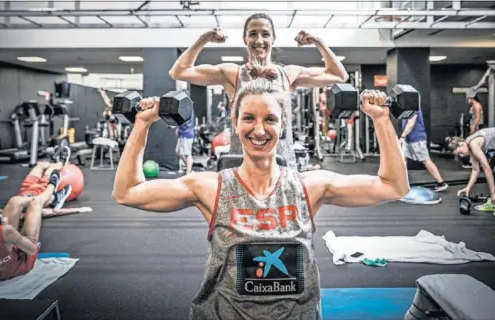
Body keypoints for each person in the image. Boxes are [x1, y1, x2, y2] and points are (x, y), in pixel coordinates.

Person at [113, 76, 409, 319]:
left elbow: (392, 186)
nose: (259, 129)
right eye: (249, 118)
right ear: (235, 121)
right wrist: (142, 124)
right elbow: (128, 192)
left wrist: (382, 119)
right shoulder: (211, 188)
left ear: (283, 125)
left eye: (270, 119)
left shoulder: (310, 186)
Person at [168, 13, 349, 169]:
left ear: (273, 39)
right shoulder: (234, 74)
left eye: (265, 34)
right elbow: (179, 72)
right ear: (245, 38)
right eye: (253, 34)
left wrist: (318, 42)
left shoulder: (288, 75)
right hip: (242, 164)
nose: (259, 40)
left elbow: (339, 75)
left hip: (281, 165)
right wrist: (204, 38)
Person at [399, 109, 449, 192]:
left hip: (417, 139)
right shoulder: (405, 108)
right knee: (403, 158)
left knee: (425, 160)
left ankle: (441, 183)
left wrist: (402, 136)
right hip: (408, 139)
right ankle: (402, 182)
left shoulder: (413, 108)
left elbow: (411, 123)